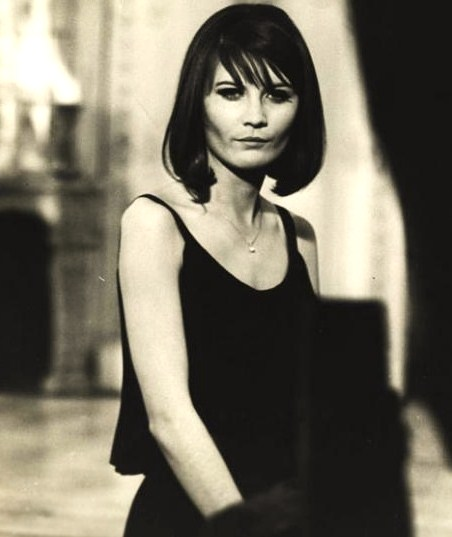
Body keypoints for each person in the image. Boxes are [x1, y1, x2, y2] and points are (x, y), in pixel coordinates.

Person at [110, 3, 325, 536]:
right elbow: (169, 419)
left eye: (277, 95)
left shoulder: (299, 236)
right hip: (195, 518)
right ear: (197, 104)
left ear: (301, 109)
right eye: (230, 93)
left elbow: (312, 408)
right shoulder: (153, 224)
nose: (256, 116)